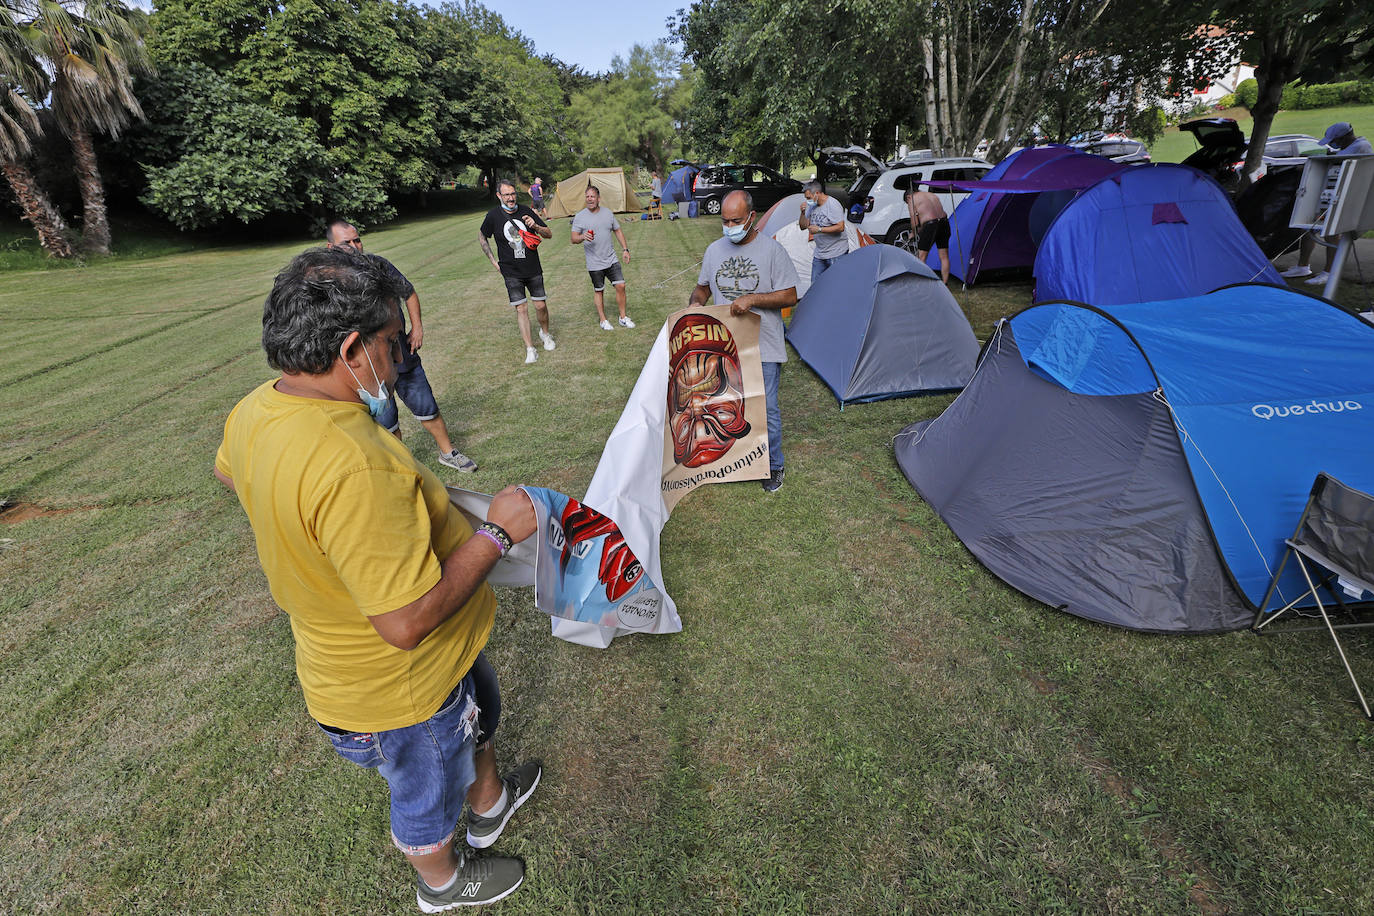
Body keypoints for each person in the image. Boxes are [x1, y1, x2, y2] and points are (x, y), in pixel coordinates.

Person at [213, 246, 542, 911]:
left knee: (477, 724)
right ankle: (443, 882)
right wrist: (498, 532)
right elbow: (405, 621)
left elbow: (230, 473)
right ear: (353, 349)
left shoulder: (259, 408)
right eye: (394, 344)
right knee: (426, 794)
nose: (401, 359)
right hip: (401, 694)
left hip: (434, 666)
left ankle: (492, 803)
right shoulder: (351, 464)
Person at [326, 221, 477, 472]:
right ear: (331, 247)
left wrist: (416, 328)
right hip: (368, 368)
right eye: (347, 243)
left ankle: (448, 453)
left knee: (426, 405)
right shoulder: (328, 282)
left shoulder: (379, 265)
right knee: (386, 421)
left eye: (357, 240)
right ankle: (402, 464)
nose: (355, 246)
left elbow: (408, 293)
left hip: (401, 355)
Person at [689, 189, 798, 493]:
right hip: (725, 347)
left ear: (752, 217)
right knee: (726, 404)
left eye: (735, 220)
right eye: (725, 221)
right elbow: (701, 288)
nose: (729, 227)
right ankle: (735, 460)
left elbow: (791, 295)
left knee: (766, 409)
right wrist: (696, 303)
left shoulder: (772, 252)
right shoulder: (714, 251)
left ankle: (774, 465)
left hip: (764, 345)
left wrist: (753, 299)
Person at [1281, 121, 1373, 285]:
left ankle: (1329, 271)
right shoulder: (1347, 148)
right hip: (1330, 193)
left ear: (1345, 137)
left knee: (1332, 233)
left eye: (1334, 140)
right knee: (1307, 227)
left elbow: (1357, 172)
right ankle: (1303, 266)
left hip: (1345, 198)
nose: (1333, 144)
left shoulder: (1362, 147)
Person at [479, 179, 556, 364]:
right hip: (511, 271)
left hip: (532, 267)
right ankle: (530, 348)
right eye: (506, 195)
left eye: (513, 194)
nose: (511, 198)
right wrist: (493, 261)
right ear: (499, 196)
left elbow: (548, 233)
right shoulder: (493, 216)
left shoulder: (526, 211)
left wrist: (535, 226)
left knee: (540, 306)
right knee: (521, 309)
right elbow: (482, 235)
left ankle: (545, 334)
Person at [570, 185, 636, 331]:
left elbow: (617, 230)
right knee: (599, 290)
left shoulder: (608, 213)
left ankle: (623, 317)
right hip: (594, 262)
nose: (589, 199)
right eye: (587, 196)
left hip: (611, 258)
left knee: (621, 285)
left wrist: (625, 249)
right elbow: (573, 238)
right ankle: (603, 320)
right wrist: (582, 236)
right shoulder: (580, 216)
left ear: (598, 199)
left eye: (592, 196)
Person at [797, 179, 847, 283]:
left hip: (836, 253)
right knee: (815, 285)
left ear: (817, 193)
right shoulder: (812, 206)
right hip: (820, 253)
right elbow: (803, 226)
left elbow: (840, 227)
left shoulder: (832, 205)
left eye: (809, 198)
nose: (807, 201)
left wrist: (819, 229)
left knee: (837, 284)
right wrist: (802, 213)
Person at [906, 186, 952, 282]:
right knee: (944, 256)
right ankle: (945, 283)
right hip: (944, 222)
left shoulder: (911, 199)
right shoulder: (932, 195)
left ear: (908, 197)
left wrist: (913, 233)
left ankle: (921, 283)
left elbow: (914, 221)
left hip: (931, 225)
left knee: (921, 256)